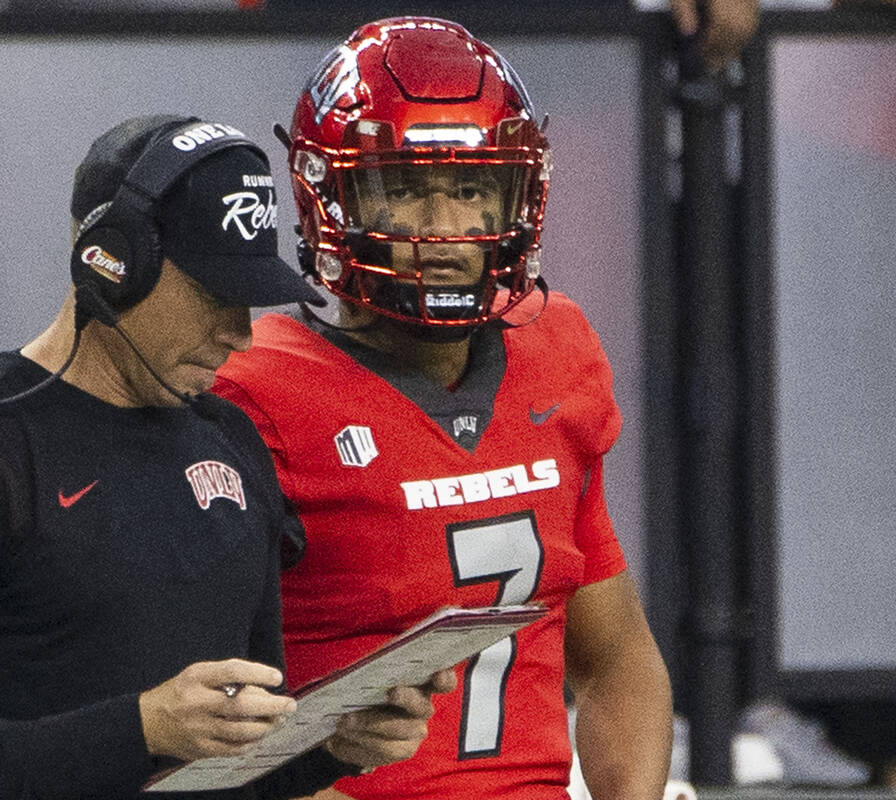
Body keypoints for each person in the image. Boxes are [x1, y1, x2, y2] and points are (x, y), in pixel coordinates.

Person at [0, 114, 455, 800]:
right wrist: (143, 729)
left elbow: (235, 768)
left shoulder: (233, 443)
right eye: (216, 297)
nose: (240, 336)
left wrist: (330, 744)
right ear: (115, 263)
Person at [211, 18, 673, 800]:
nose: (446, 233)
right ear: (329, 195)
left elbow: (616, 654)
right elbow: (212, 723)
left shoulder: (554, 350)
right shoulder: (256, 390)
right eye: (405, 190)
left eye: (469, 189)